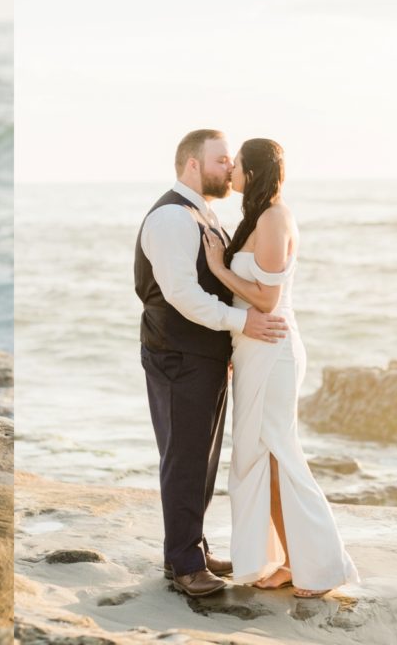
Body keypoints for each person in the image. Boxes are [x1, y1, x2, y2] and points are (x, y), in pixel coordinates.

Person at [134, 129, 288, 598]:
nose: (230, 168)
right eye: (221, 160)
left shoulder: (206, 214)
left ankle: (189, 549)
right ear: (192, 165)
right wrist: (241, 323)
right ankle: (184, 564)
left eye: (230, 161)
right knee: (184, 456)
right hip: (177, 354)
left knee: (200, 457)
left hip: (203, 355)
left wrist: (229, 344)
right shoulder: (170, 219)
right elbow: (182, 295)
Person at [202, 138, 358, 598]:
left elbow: (267, 299)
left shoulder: (274, 217)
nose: (229, 170)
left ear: (252, 171)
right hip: (253, 351)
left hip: (274, 351)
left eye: (236, 165)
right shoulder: (256, 217)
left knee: (280, 457)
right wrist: (234, 350)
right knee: (259, 459)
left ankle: (323, 566)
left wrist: (217, 265)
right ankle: (290, 561)